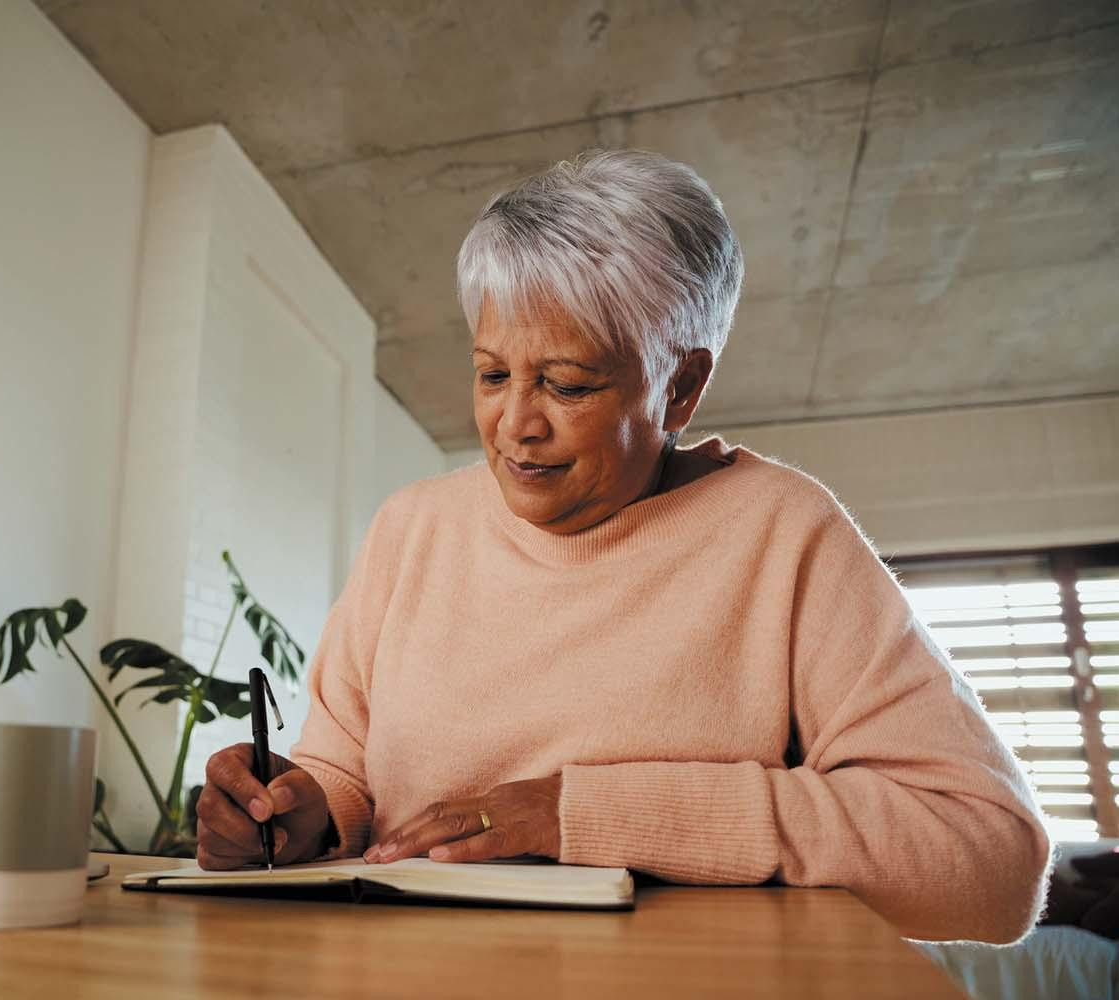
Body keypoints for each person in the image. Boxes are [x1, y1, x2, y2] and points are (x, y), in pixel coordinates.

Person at [195, 149, 1050, 943]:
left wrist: (594, 814)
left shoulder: (785, 534)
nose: (514, 427)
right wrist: (294, 810)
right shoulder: (409, 530)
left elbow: (990, 858)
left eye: (567, 384)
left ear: (679, 388)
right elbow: (344, 778)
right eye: (493, 374)